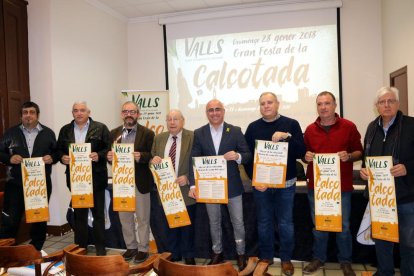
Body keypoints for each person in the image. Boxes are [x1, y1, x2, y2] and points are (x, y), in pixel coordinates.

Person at [244, 92, 306, 276]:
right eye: (262, 103)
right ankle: (266, 257)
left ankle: (286, 259)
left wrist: (287, 137)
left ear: (277, 104)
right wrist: (255, 179)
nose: (266, 106)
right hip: (262, 185)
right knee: (264, 222)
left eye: (269, 102)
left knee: (285, 222)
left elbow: (301, 152)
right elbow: (248, 158)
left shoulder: (291, 124)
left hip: (286, 184)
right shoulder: (253, 127)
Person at [303, 91, 363, 276]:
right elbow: (305, 154)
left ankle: (345, 261)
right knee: (319, 225)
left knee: (343, 227)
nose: (323, 107)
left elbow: (359, 152)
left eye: (327, 103)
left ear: (335, 105)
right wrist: (306, 157)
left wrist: (349, 156)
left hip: (342, 187)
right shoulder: (310, 129)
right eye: (320, 104)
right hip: (317, 187)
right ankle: (319, 258)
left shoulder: (349, 126)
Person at [188, 99, 251, 271]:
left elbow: (247, 155)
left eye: (217, 109)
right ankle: (217, 252)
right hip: (209, 187)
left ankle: (241, 253)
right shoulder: (199, 133)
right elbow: (193, 160)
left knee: (238, 222)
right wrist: (193, 186)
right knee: (214, 221)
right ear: (206, 113)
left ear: (223, 111)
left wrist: (237, 156)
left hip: (232, 187)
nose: (214, 113)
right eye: (210, 110)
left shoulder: (236, 131)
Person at [360, 87, 414, 276]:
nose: (386, 105)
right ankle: (384, 272)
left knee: (409, 242)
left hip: (406, 196)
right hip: (380, 197)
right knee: (382, 239)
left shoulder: (411, 125)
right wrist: (364, 170)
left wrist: (408, 167)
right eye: (382, 102)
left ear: (398, 104)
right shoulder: (371, 127)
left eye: (391, 101)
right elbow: (366, 158)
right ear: (377, 106)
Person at [0, 101, 57, 250]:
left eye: (32, 112)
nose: (28, 115)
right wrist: (9, 159)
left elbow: (57, 152)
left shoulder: (48, 133)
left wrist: (52, 158)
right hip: (15, 185)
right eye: (25, 112)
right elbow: (1, 152)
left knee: (39, 220)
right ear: (21, 116)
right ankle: (7, 252)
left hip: (40, 184)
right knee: (10, 220)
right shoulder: (10, 133)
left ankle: (35, 250)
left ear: (37, 115)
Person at [57, 101, 110, 256]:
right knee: (79, 215)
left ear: (89, 112)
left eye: (82, 110)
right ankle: (81, 248)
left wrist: (98, 155)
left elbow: (108, 148)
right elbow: (59, 149)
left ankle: (100, 248)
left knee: (99, 215)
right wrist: (62, 157)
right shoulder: (65, 130)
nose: (79, 113)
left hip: (96, 179)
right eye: (75, 110)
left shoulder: (101, 128)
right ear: (72, 113)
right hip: (76, 180)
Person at [107, 101, 154, 263]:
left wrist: (142, 156)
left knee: (142, 218)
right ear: (121, 114)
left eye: (132, 112)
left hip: (140, 181)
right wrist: (109, 158)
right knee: (125, 218)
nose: (129, 114)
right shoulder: (113, 133)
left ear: (138, 114)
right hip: (121, 183)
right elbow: (110, 157)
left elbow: (152, 155)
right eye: (126, 111)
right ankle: (131, 247)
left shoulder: (147, 133)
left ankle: (143, 249)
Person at [150, 109, 196, 265]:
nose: (172, 122)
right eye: (169, 119)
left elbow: (198, 160)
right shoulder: (159, 138)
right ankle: (174, 254)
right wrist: (153, 161)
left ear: (182, 121)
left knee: (187, 227)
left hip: (185, 189)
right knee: (169, 225)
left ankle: (189, 255)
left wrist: (189, 178)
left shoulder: (193, 137)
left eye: (175, 119)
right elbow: (152, 161)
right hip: (166, 191)